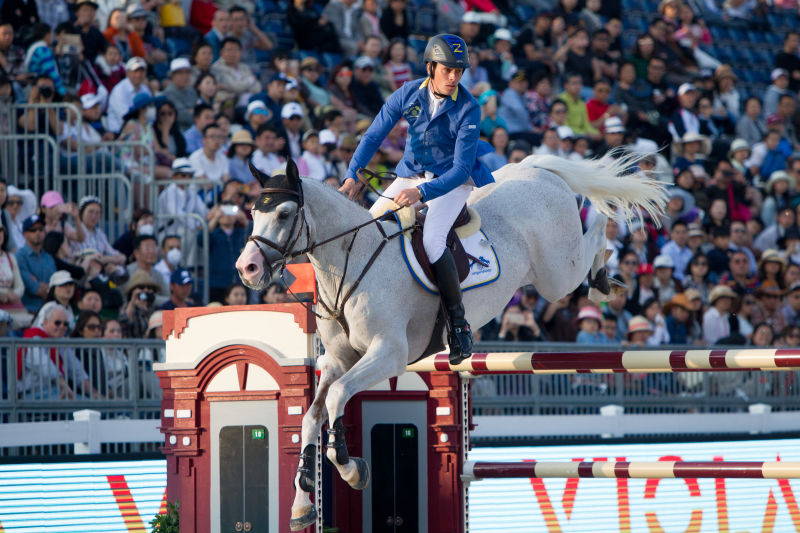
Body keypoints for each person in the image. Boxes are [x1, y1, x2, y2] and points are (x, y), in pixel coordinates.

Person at [339, 34, 495, 364]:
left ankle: (458, 325)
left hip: (451, 181)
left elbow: (461, 167)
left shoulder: (469, 108)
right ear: (430, 67)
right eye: (448, 70)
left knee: (434, 241)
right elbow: (374, 134)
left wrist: (422, 193)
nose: (454, 77)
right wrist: (353, 173)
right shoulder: (408, 93)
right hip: (411, 173)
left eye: (459, 71)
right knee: (369, 227)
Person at [16, 215, 57, 313]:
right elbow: (34, 289)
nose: (38, 232)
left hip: (49, 311)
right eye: (33, 230)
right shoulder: (19, 256)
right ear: (25, 234)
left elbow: (56, 287)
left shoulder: (48, 257)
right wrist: (47, 289)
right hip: (29, 311)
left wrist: (45, 287)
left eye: (41, 229)